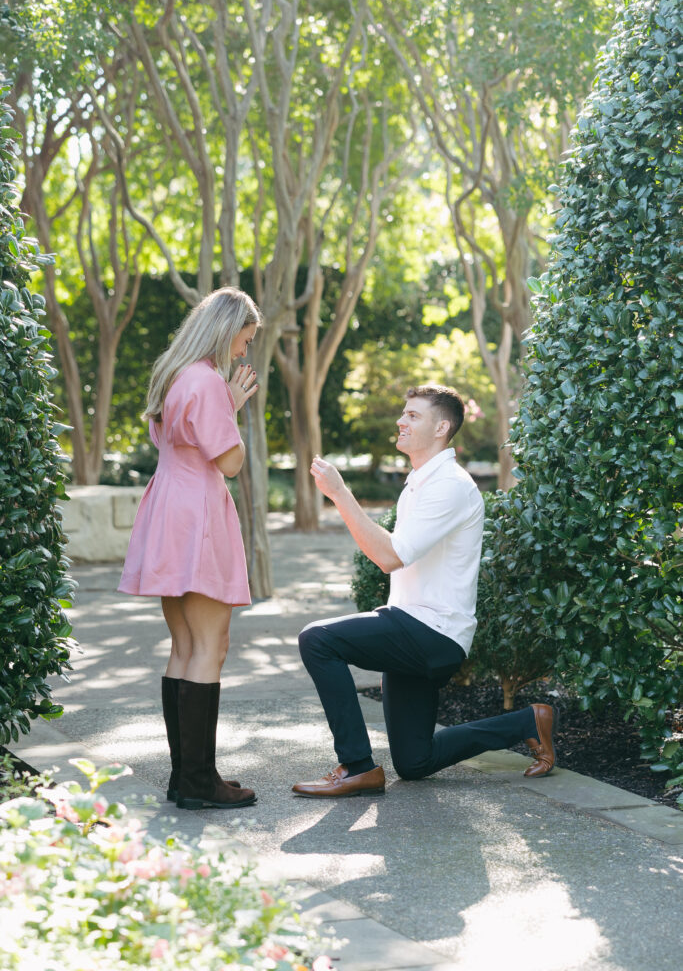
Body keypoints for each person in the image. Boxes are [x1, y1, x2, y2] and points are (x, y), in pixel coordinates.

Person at [292, 384, 557, 798]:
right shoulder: (420, 481)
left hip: (432, 631)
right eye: (404, 412)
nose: (401, 420)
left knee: (317, 640)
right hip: (413, 627)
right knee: (415, 762)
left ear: (442, 428)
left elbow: (390, 556)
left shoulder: (450, 484)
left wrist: (340, 494)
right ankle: (526, 722)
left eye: (413, 415)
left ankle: (357, 767)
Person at [119, 287, 262, 811]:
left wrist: (228, 401)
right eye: (244, 340)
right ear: (226, 331)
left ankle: (188, 778)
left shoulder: (175, 375)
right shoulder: (206, 382)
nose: (243, 353)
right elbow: (229, 462)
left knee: (182, 645)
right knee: (211, 645)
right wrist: (235, 405)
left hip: (168, 509)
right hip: (198, 512)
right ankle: (199, 782)